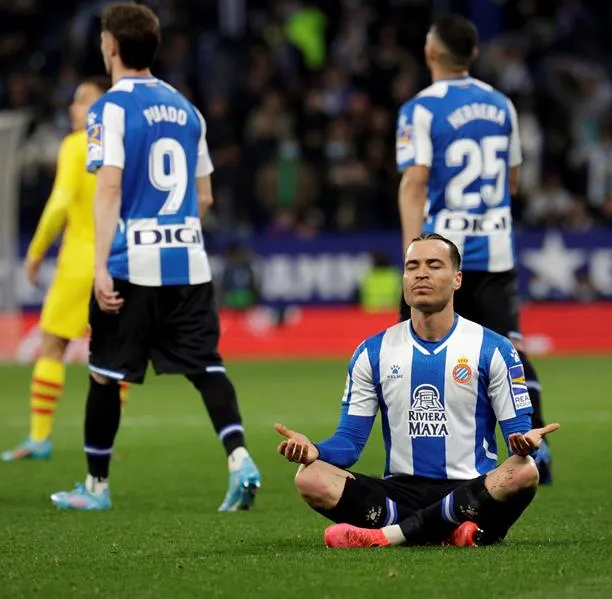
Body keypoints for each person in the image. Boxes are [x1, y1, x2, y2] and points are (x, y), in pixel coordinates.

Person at [50, 3, 259, 512]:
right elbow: (205, 197)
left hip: (133, 264)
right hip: (189, 261)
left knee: (105, 373)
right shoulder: (187, 109)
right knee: (206, 367)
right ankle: (240, 460)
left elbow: (109, 189)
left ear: (111, 46)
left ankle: (96, 487)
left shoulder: (108, 109)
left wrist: (101, 265)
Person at [275, 233, 560, 548]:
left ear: (457, 279)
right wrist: (315, 451)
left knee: (524, 472)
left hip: (470, 490)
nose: (421, 274)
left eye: (434, 265)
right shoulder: (372, 351)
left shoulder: (495, 349)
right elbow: (350, 443)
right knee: (310, 476)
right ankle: (449, 531)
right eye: (412, 266)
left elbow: (518, 437)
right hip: (401, 491)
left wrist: (526, 444)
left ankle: (390, 535)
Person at [395, 15, 553, 483]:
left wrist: (413, 253)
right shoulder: (502, 104)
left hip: (443, 258)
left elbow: (415, 182)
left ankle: (422, 458)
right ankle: (538, 450)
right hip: (496, 250)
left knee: (416, 350)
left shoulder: (421, 109)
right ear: (474, 54)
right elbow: (513, 181)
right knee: (512, 353)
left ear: (430, 53)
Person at [1, 76, 132, 462]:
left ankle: (39, 439)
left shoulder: (76, 145)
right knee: (114, 357)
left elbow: (60, 203)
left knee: (53, 344)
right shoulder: (127, 147)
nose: (74, 108)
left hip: (80, 263)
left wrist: (36, 252)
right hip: (121, 262)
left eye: (83, 100)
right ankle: (105, 443)